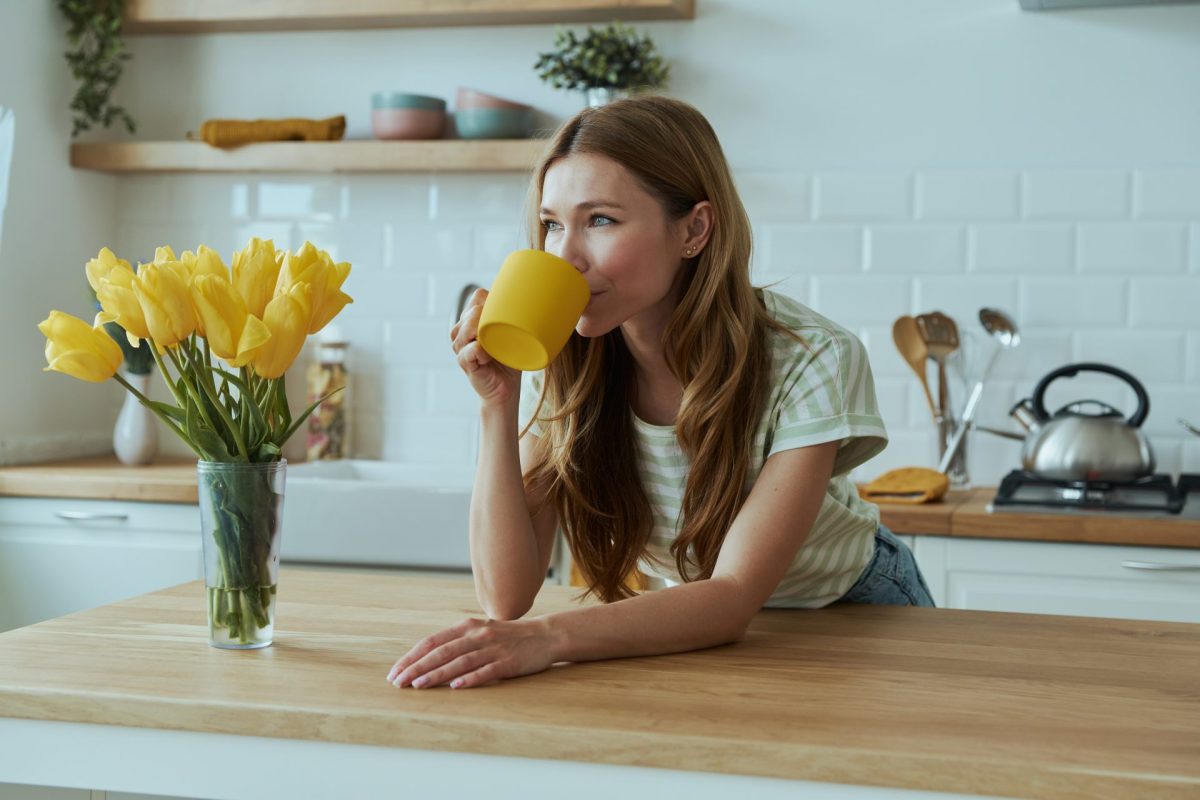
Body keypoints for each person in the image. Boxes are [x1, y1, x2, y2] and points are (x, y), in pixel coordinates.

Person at [386, 95, 933, 691]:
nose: (565, 257)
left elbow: (731, 596)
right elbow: (505, 594)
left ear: (694, 229)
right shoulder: (563, 354)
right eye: (551, 224)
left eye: (600, 220)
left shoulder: (813, 356)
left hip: (853, 610)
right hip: (687, 620)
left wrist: (548, 638)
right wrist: (498, 403)